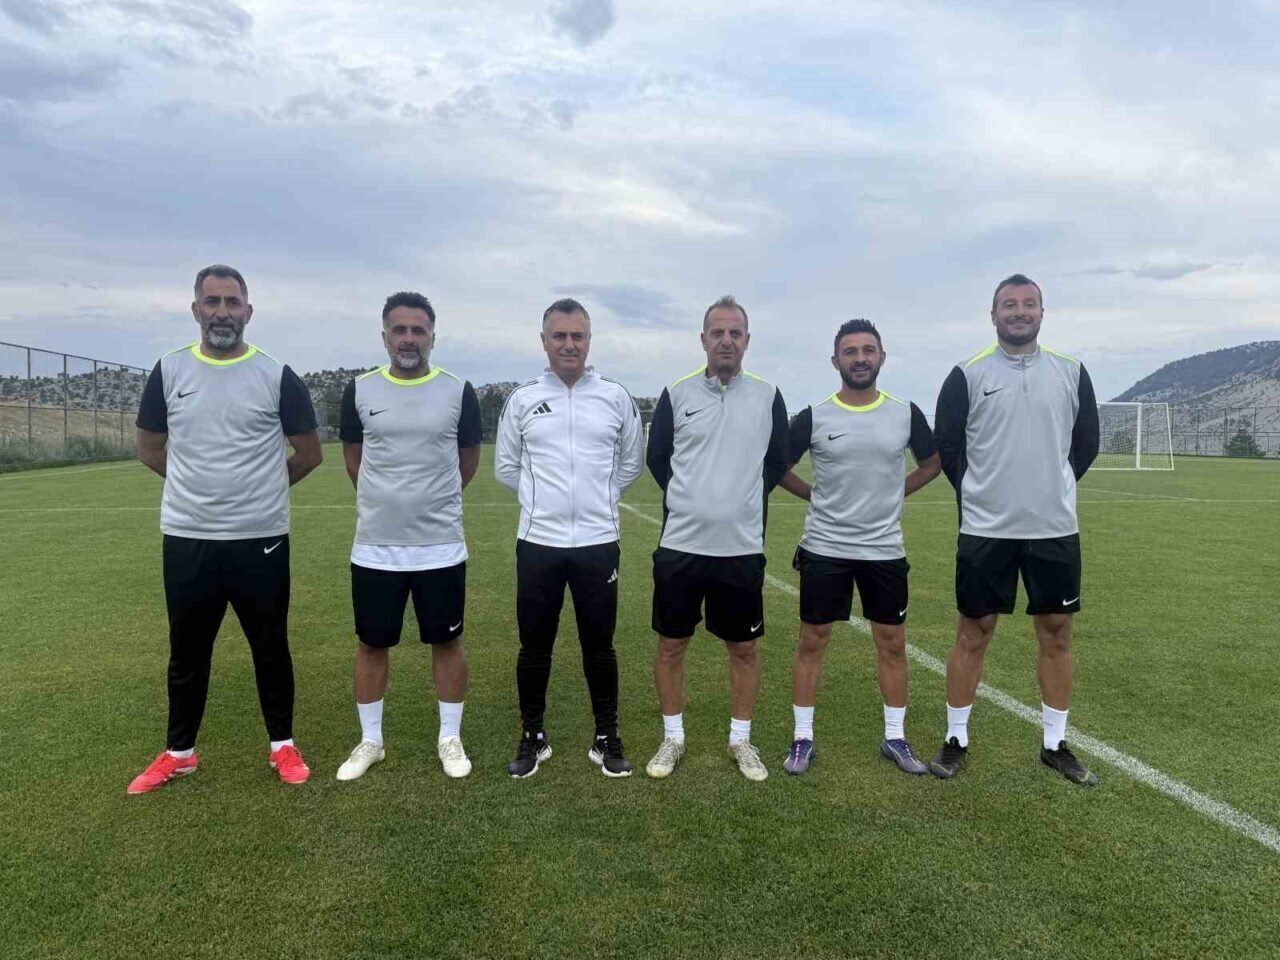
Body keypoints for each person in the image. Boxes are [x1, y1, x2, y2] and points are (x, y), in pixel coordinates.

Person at [127, 264, 322, 794]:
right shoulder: (169, 370)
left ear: (248, 312)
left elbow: (309, 454)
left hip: (260, 537)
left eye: (232, 302)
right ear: (196, 309)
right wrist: (197, 491)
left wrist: (258, 492)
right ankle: (180, 753)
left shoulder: (276, 375)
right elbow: (149, 449)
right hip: (188, 536)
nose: (222, 312)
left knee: (270, 646)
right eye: (212, 302)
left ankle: (282, 745)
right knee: (187, 651)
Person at [930, 273, 1100, 784]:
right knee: (973, 631)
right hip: (986, 528)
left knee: (1056, 631)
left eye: (1029, 304)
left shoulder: (1071, 372)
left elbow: (1085, 445)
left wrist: (1049, 487)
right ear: (993, 314)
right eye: (1009, 304)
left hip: (1053, 527)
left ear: (1042, 313)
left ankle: (1055, 744)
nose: (1019, 312)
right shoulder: (967, 374)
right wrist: (983, 492)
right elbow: (948, 446)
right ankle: (955, 739)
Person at [777, 318, 941, 776]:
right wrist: (813, 495)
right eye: (850, 351)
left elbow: (933, 462)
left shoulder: (905, 413)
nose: (860, 358)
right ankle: (802, 738)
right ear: (836, 361)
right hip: (825, 547)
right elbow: (777, 467)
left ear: (881, 357)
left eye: (868, 350)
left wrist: (895, 492)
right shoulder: (815, 415)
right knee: (813, 640)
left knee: (892, 643)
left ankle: (896, 738)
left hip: (884, 550)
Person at [335, 292, 482, 782]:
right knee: (371, 644)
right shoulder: (360, 390)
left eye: (418, 330)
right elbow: (354, 457)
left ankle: (449, 737)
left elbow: (467, 461)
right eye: (399, 330)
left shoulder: (458, 391)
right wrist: (385, 501)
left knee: (447, 642)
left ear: (432, 337)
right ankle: (371, 741)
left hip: (440, 546)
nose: (408, 339)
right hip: (375, 547)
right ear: (384, 336)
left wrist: (431, 502)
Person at [495, 298, 645, 778]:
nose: (568, 344)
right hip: (539, 543)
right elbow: (506, 467)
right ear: (544, 341)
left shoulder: (614, 397)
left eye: (577, 336)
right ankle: (532, 736)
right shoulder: (522, 399)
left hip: (598, 544)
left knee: (600, 646)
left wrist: (600, 499)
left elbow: (631, 462)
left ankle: (606, 737)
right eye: (559, 336)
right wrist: (544, 505)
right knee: (534, 646)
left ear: (589, 341)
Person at [645, 295, 789, 782]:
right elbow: (658, 459)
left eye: (735, 333)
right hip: (681, 546)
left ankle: (740, 740)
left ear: (747, 340)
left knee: (743, 649)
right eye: (717, 333)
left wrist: (740, 499)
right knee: (671, 645)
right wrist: (692, 498)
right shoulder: (677, 393)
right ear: (703, 339)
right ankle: (673, 738)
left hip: (741, 549)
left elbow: (776, 461)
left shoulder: (768, 396)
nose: (726, 340)